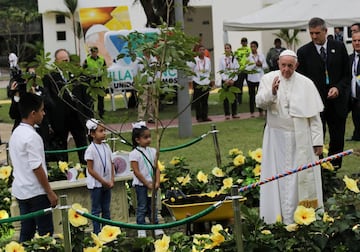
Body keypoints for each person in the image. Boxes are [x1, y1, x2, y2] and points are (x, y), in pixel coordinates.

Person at [256, 50, 324, 225]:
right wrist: (272, 92)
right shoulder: (268, 78)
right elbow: (260, 102)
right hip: (275, 139)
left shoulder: (306, 84)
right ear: (278, 63)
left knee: (298, 178)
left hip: (300, 139)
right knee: (277, 178)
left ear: (296, 65)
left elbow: (315, 118)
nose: (286, 69)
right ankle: (276, 219)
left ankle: (299, 217)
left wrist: (317, 142)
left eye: (290, 66)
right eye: (283, 65)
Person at [297, 17, 350, 169]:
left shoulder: (339, 47)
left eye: (317, 33)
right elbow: (301, 79)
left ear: (325, 31)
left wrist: (338, 88)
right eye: (311, 33)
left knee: (337, 136)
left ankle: (334, 166)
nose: (314, 36)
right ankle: (318, 168)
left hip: (337, 102)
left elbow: (346, 75)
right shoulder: (303, 52)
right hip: (315, 103)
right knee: (317, 136)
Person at [9, 93, 58, 242]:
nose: (44, 113)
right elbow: (36, 167)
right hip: (36, 192)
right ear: (33, 113)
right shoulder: (32, 136)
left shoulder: (16, 133)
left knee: (27, 233)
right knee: (46, 234)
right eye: (42, 110)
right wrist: (49, 192)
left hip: (21, 190)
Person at [42, 49, 89, 164]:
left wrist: (88, 116)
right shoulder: (50, 77)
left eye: (67, 60)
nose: (65, 63)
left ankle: (86, 168)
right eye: (62, 60)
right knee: (61, 148)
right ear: (56, 62)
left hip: (77, 117)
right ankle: (64, 171)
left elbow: (85, 97)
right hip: (59, 119)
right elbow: (48, 100)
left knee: (82, 144)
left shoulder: (77, 75)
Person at [129, 121, 163, 237]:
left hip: (152, 184)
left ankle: (155, 226)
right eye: (145, 137)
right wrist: (146, 183)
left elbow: (157, 168)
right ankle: (141, 228)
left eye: (149, 137)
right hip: (141, 184)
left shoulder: (153, 151)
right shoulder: (134, 153)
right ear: (137, 140)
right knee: (142, 206)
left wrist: (157, 182)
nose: (148, 139)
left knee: (153, 206)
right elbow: (136, 171)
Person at [84, 118, 115, 234]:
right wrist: (103, 181)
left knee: (106, 209)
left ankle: (107, 232)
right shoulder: (90, 150)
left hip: (107, 183)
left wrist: (111, 179)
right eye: (100, 131)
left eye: (104, 131)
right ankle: (97, 233)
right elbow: (90, 169)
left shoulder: (106, 147)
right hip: (97, 184)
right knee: (96, 209)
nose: (104, 133)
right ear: (92, 134)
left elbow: (112, 163)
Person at [188, 45, 212, 122]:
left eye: (203, 49)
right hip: (197, 81)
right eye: (200, 50)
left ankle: (205, 116)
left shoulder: (208, 60)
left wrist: (209, 80)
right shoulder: (194, 60)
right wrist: (190, 81)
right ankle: (199, 117)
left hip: (206, 82)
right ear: (197, 51)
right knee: (198, 100)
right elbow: (190, 70)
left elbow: (209, 70)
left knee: (205, 100)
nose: (202, 51)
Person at [83, 46, 107, 119]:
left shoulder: (102, 59)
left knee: (101, 97)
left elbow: (105, 69)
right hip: (91, 79)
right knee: (91, 97)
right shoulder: (87, 60)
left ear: (97, 52)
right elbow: (84, 70)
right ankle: (91, 112)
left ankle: (101, 113)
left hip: (99, 79)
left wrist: (104, 79)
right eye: (92, 52)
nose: (94, 53)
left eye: (95, 52)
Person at [247, 41, 268, 117]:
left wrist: (261, 64)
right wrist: (255, 65)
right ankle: (252, 112)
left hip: (260, 78)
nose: (252, 48)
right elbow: (247, 68)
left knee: (261, 95)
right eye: (251, 46)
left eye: (254, 46)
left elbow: (266, 66)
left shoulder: (261, 55)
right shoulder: (248, 57)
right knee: (251, 96)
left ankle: (261, 111)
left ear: (257, 47)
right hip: (251, 78)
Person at [219, 43, 240, 120]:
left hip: (233, 80)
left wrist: (232, 80)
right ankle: (227, 114)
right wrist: (226, 79)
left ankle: (234, 113)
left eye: (228, 48)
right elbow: (221, 71)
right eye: (225, 48)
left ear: (231, 49)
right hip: (225, 80)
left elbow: (236, 70)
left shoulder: (234, 58)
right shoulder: (221, 59)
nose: (227, 50)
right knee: (225, 98)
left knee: (234, 97)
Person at [136, 49, 157, 123]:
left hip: (152, 81)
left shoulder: (154, 60)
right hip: (143, 82)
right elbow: (136, 71)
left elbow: (156, 71)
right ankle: (140, 118)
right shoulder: (140, 60)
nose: (146, 52)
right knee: (143, 100)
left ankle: (151, 117)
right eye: (145, 51)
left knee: (152, 101)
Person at [348, 32, 360, 141]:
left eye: (359, 40)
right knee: (355, 116)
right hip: (353, 95)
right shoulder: (350, 58)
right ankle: (356, 136)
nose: (357, 43)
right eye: (354, 41)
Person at [234, 37, 251, 104]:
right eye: (243, 41)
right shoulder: (238, 50)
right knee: (239, 85)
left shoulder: (249, 50)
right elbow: (236, 58)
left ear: (247, 42)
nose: (244, 42)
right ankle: (239, 100)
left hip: (247, 70)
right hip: (241, 70)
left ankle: (251, 99)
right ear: (241, 42)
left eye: (245, 41)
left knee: (250, 85)